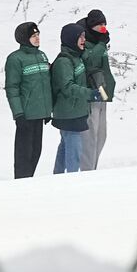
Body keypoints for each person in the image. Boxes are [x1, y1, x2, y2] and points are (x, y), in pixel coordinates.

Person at [4, 22, 52, 179]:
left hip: (39, 114)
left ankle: (29, 182)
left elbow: (45, 84)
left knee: (36, 152)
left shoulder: (41, 55)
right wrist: (18, 113)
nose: (37, 38)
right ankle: (21, 183)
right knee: (24, 155)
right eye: (33, 36)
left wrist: (47, 110)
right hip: (26, 114)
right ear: (24, 38)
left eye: (38, 35)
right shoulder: (15, 59)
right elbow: (12, 88)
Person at [50, 23, 91, 174]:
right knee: (74, 150)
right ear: (70, 39)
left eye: (84, 37)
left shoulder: (76, 57)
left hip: (76, 110)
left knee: (65, 145)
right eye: (80, 37)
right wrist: (89, 93)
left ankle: (58, 176)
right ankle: (72, 181)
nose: (83, 40)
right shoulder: (64, 61)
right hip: (68, 112)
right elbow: (67, 87)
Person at [79, 9, 114, 172]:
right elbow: (90, 60)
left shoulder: (100, 40)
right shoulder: (84, 40)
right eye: (100, 24)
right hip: (91, 92)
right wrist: (101, 44)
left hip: (102, 91)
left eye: (104, 24)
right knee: (90, 136)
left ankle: (93, 167)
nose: (103, 27)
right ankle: (87, 170)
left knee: (102, 136)